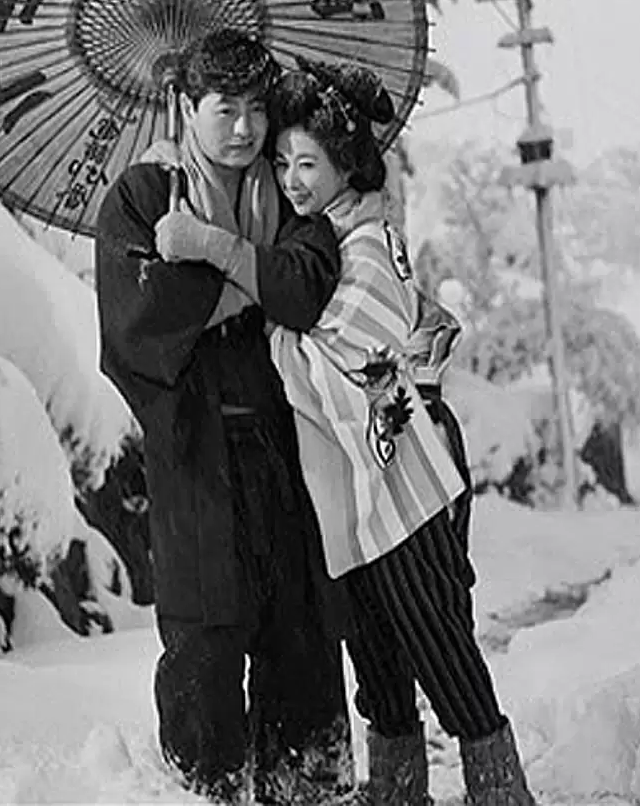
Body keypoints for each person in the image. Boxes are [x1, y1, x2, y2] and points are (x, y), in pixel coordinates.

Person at [153, 58, 538, 806]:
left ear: (345, 164)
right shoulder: (327, 234)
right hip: (350, 504)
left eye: (309, 164)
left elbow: (345, 358)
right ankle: (396, 788)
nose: (294, 180)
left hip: (401, 490)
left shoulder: (370, 243)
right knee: (375, 648)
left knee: (439, 640)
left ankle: (499, 787)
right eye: (286, 163)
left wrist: (270, 329)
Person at [94, 30, 354, 805]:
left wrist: (211, 251)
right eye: (224, 109)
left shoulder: (287, 188)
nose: (243, 128)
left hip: (286, 445)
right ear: (185, 106)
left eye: (255, 110)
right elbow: (139, 323)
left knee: (300, 627)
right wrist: (253, 270)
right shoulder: (143, 197)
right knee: (206, 639)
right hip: (197, 455)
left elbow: (309, 287)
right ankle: (205, 790)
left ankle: (309, 787)